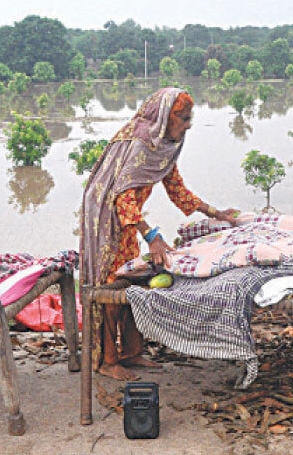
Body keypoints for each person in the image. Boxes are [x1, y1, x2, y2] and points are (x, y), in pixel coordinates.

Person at [80, 87, 238, 381]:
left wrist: (215, 213)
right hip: (105, 216)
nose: (189, 125)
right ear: (166, 117)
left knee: (132, 280)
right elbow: (121, 199)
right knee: (110, 286)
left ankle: (131, 353)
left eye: (191, 118)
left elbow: (176, 188)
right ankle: (106, 359)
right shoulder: (141, 144)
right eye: (185, 119)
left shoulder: (162, 145)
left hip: (128, 219)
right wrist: (152, 236)